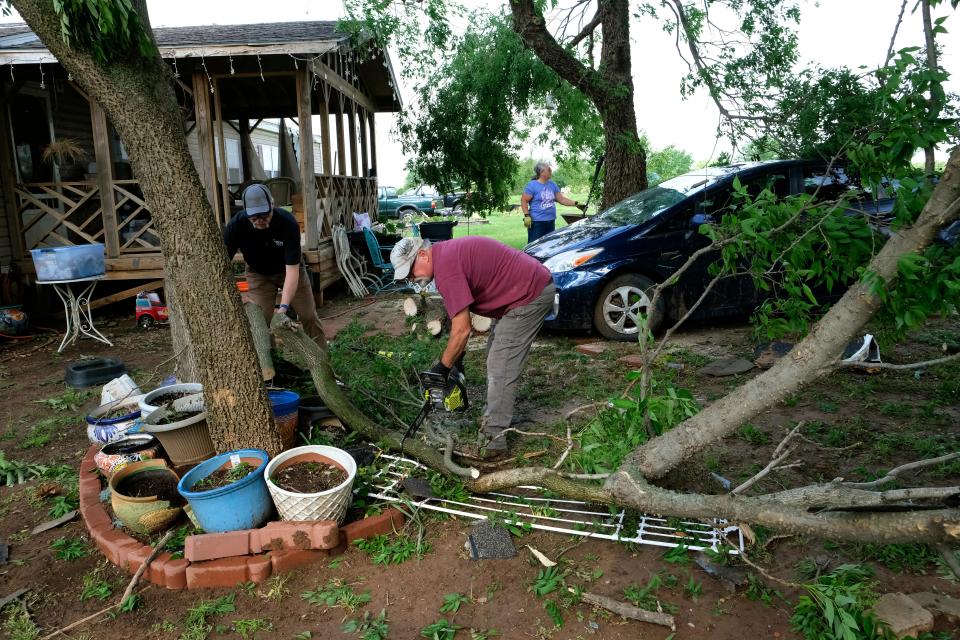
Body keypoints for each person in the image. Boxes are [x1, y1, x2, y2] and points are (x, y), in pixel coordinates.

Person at [390, 235, 555, 457]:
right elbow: (462, 316)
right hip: (515, 294)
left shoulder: (446, 268)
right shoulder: (445, 258)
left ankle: (493, 440)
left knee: (500, 366)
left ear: (422, 254)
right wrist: (456, 356)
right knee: (495, 357)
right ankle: (494, 417)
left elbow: (462, 329)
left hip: (528, 295)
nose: (412, 277)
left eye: (411, 270)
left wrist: (443, 367)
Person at [223, 183, 323, 340]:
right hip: (258, 274)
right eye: (254, 216)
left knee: (308, 315)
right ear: (245, 211)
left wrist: (283, 308)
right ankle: (271, 362)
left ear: (272, 204)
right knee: (260, 322)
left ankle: (321, 360)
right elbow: (222, 265)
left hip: (287, 270)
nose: (260, 220)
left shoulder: (287, 223)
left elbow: (292, 271)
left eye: (264, 214)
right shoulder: (235, 227)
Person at [521, 162, 585, 243]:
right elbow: (524, 200)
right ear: (542, 172)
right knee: (534, 247)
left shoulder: (552, 184)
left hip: (550, 221)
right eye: (549, 170)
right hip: (536, 223)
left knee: (548, 246)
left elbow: (561, 199)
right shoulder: (532, 185)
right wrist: (527, 215)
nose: (551, 171)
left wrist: (576, 203)